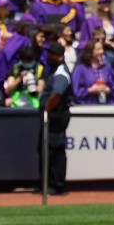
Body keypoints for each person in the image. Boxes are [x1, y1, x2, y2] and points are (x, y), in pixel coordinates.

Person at [38, 41, 73, 195]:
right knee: (47, 148)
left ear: (59, 57)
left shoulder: (61, 73)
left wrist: (47, 109)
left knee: (55, 149)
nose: (49, 56)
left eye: (52, 54)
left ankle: (57, 185)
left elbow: (57, 94)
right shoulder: (54, 70)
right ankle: (48, 183)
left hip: (56, 114)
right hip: (53, 113)